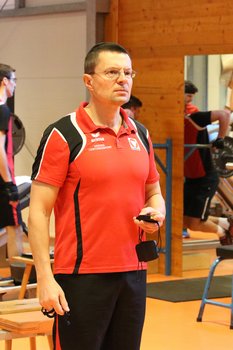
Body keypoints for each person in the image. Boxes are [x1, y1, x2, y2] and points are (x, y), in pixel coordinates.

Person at [28, 42, 166, 350]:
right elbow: (37, 212)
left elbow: (154, 191)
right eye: (113, 72)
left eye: (128, 73)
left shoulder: (140, 133)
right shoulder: (64, 134)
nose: (123, 80)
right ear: (88, 81)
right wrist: (45, 279)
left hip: (133, 273)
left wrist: (157, 213)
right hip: (80, 277)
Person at [183, 80, 233, 244]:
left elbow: (224, 114)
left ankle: (224, 234)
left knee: (196, 223)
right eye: (187, 96)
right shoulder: (180, 119)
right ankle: (227, 224)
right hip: (191, 179)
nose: (189, 101)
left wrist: (220, 139)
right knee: (185, 221)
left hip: (205, 178)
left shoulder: (194, 117)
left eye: (190, 97)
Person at [0, 63, 23, 259]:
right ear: (5, 81)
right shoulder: (3, 111)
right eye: (14, 80)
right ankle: (20, 280)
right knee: (14, 227)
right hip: (2, 181)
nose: (15, 85)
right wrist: (9, 184)